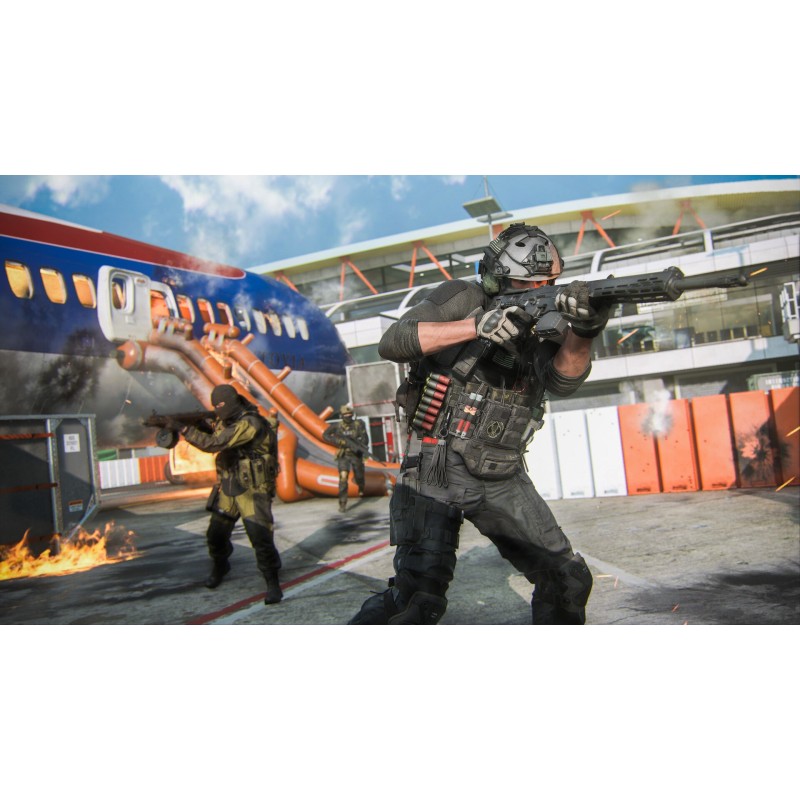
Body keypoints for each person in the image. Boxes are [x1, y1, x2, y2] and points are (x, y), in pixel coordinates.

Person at [348, 223, 609, 625]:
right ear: (496, 279)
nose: (540, 290)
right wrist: (477, 326)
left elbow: (563, 382)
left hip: (501, 471)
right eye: (527, 283)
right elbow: (394, 341)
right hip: (436, 466)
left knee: (567, 581)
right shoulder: (465, 298)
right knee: (415, 600)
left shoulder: (550, 319)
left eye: (548, 282)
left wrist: (585, 331)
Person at [182, 384, 283, 605]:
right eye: (214, 406)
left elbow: (215, 443)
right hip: (229, 486)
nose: (217, 410)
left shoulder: (251, 422)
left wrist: (185, 430)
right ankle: (221, 565)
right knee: (215, 534)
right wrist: (200, 425)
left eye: (220, 405)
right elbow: (217, 435)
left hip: (252, 489)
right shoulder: (225, 421)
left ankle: (272, 581)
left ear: (230, 403)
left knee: (260, 536)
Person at [322, 405, 368, 512]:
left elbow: (365, 440)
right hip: (343, 455)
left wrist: (359, 445)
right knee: (343, 477)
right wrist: (338, 441)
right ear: (342, 416)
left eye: (349, 414)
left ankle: (361, 486)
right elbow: (325, 435)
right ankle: (342, 503)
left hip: (355, 454)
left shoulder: (358, 425)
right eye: (345, 414)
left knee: (359, 475)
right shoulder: (337, 426)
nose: (348, 416)